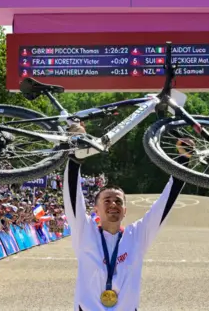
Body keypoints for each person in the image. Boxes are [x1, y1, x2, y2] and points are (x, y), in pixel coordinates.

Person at [63, 122, 185, 311]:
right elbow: (72, 197)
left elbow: (164, 206)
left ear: (125, 211)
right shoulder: (84, 231)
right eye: (107, 200)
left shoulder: (136, 236)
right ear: (95, 209)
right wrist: (75, 157)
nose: (113, 204)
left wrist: (183, 160)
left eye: (119, 201)